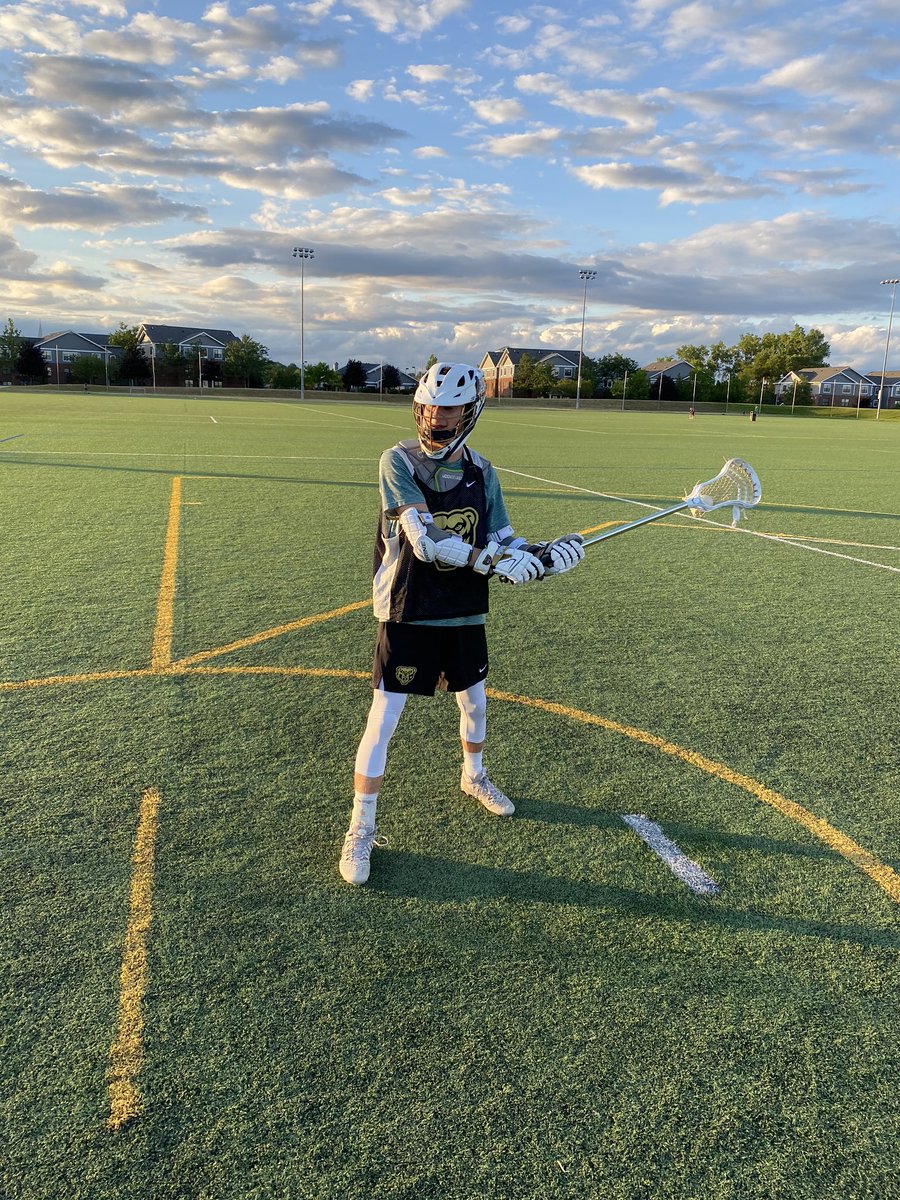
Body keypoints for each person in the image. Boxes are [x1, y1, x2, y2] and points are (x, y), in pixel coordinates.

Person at [339, 362, 586, 885]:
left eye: (449, 406)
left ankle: (473, 776)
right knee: (385, 716)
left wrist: (542, 556)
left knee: (474, 702)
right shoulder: (397, 460)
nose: (437, 415)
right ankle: (361, 827)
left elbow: (502, 537)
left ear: (470, 411)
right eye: (430, 404)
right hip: (408, 603)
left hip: (463, 608)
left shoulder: (484, 471)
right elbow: (423, 540)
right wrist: (491, 563)